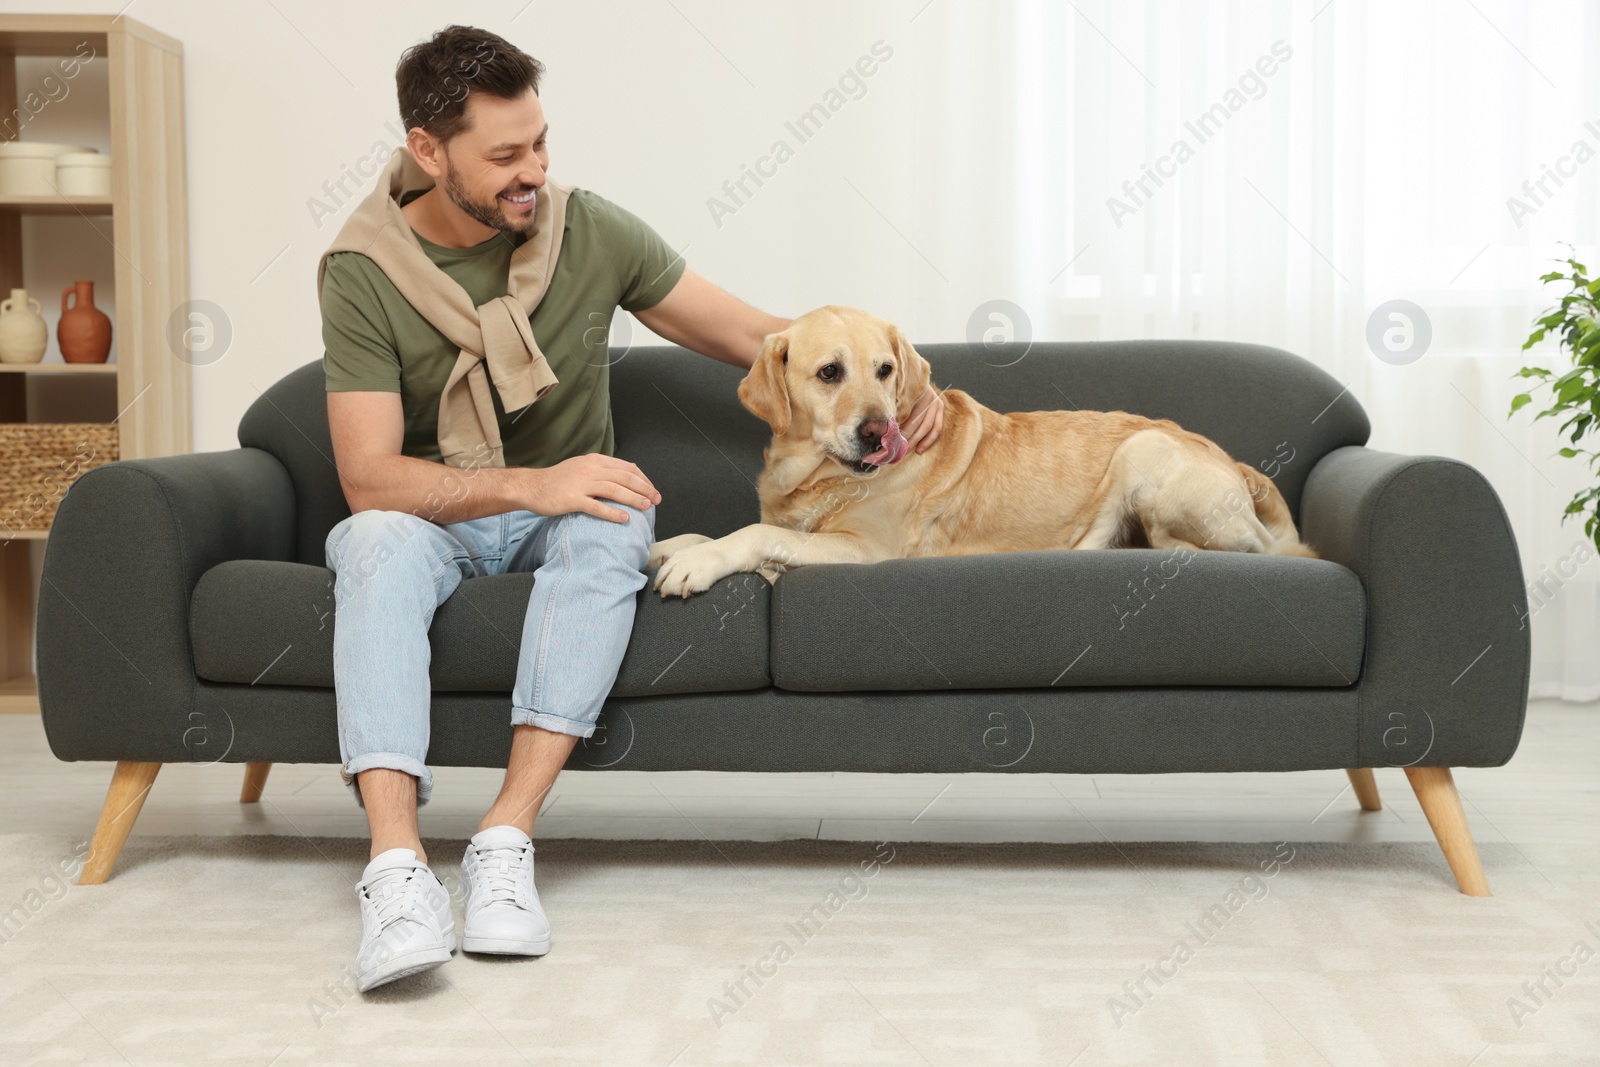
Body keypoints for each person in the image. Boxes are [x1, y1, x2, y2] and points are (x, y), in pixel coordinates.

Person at [319, 24, 947, 992]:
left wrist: (890, 382)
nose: (532, 171)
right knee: (366, 544)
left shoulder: (587, 230)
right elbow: (368, 476)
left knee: (614, 515)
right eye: (504, 156)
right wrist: (536, 480)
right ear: (426, 151)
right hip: (431, 509)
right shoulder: (363, 268)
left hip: (565, 510)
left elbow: (753, 334)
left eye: (539, 143)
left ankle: (503, 840)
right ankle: (397, 870)